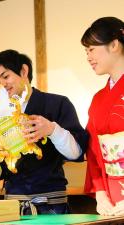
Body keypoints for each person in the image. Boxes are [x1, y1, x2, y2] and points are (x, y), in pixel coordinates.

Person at [0, 49, 89, 215]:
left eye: (6, 76)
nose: (3, 84)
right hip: (13, 207)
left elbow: (76, 153)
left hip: (52, 204)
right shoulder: (0, 118)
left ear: (24, 71)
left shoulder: (57, 103)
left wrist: (52, 130)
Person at [81, 16, 124, 216]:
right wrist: (99, 192)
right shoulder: (98, 99)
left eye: (91, 49)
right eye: (86, 51)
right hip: (111, 194)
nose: (88, 57)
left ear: (114, 44)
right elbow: (93, 149)